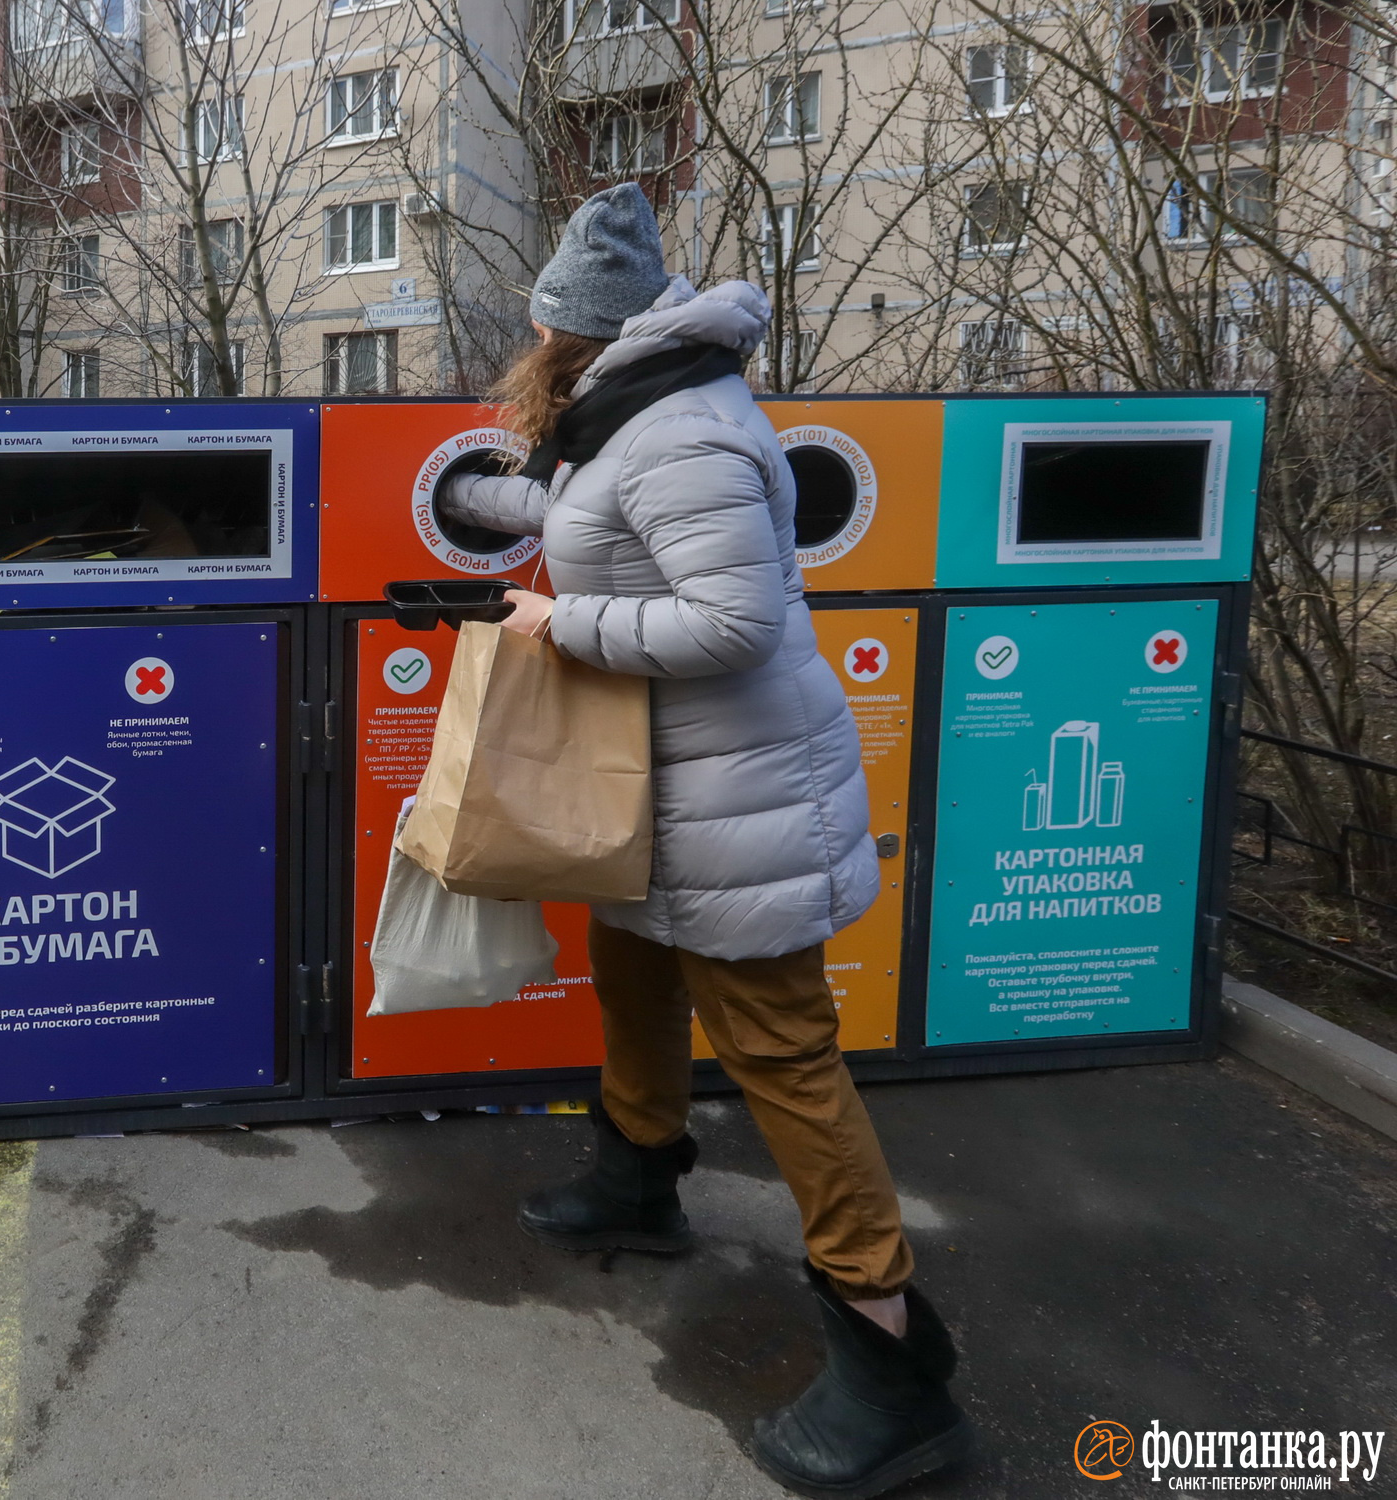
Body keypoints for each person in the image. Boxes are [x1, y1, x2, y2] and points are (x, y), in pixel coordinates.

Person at [437, 182, 973, 1499]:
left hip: (740, 805)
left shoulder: (685, 435)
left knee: (785, 1057)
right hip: (661, 790)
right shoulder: (640, 415)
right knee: (632, 981)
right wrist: (482, 515)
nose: (534, 353)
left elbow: (726, 622)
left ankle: (892, 1353)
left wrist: (558, 627)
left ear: (582, 333)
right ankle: (638, 1179)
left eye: (544, 332)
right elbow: (601, 516)